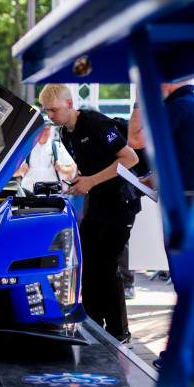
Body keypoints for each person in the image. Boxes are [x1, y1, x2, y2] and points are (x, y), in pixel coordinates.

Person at [40, 84, 139, 345]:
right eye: (46, 111)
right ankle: (94, 325)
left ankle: (120, 332)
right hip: (96, 202)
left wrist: (91, 181)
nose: (50, 116)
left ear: (70, 103)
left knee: (106, 265)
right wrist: (79, 180)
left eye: (53, 110)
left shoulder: (95, 123)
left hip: (120, 201)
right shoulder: (64, 133)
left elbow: (130, 158)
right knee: (89, 266)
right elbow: (90, 167)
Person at [16, 119, 75, 190]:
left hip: (51, 192)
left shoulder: (57, 147)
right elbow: (11, 173)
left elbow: (72, 167)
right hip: (28, 192)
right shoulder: (26, 148)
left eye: (49, 129)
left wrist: (63, 169)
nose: (47, 132)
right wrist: (20, 171)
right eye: (44, 129)